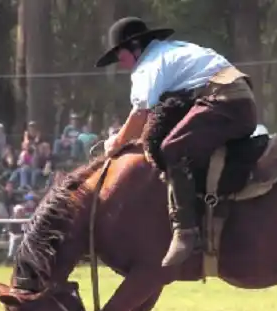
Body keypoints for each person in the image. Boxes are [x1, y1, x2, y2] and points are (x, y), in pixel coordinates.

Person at [95, 17, 257, 267]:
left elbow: (140, 113)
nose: (120, 62)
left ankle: (186, 231)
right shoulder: (174, 51)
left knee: (173, 148)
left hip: (223, 101)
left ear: (135, 46)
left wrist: (116, 143)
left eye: (121, 54)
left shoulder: (148, 65)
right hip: (234, 101)